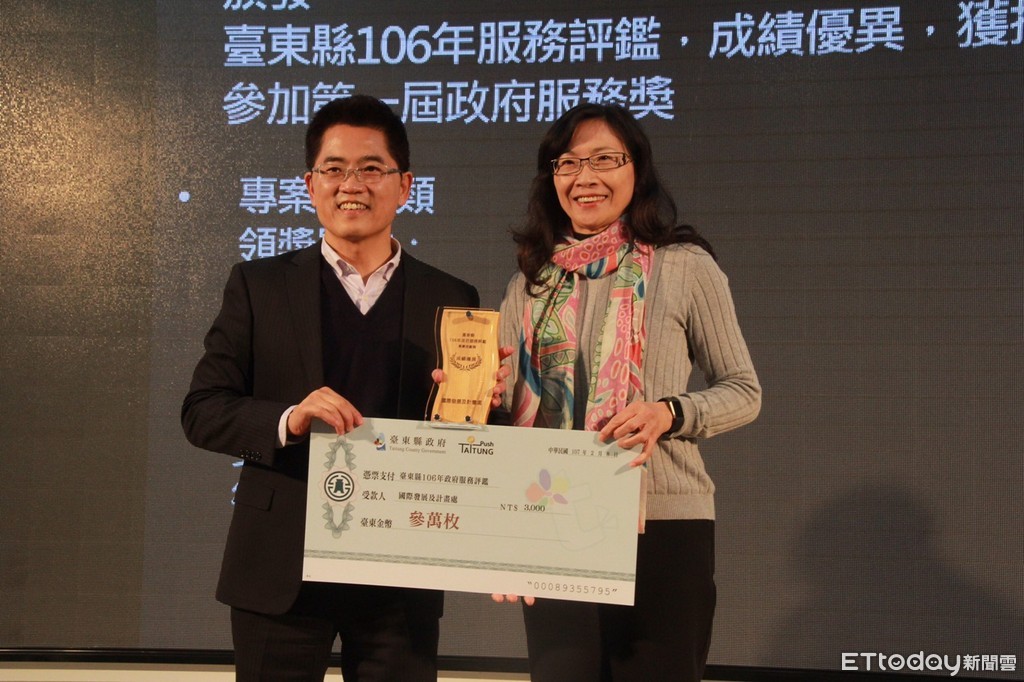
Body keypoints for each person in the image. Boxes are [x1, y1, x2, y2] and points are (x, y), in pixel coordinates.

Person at [181, 94, 486, 681]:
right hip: (280, 570)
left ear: (405, 186)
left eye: (372, 168)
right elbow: (202, 410)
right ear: (310, 184)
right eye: (334, 169)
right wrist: (289, 418)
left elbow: (465, 436)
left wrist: (481, 404)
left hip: (401, 571)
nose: (352, 185)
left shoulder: (451, 297)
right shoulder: (258, 285)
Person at [494, 103, 762, 681]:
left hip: (662, 524)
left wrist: (669, 413)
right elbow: (512, 418)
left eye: (604, 160)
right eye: (568, 163)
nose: (584, 177)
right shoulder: (530, 283)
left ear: (636, 169)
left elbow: (744, 390)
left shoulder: (684, 266)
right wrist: (481, 399)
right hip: (554, 520)